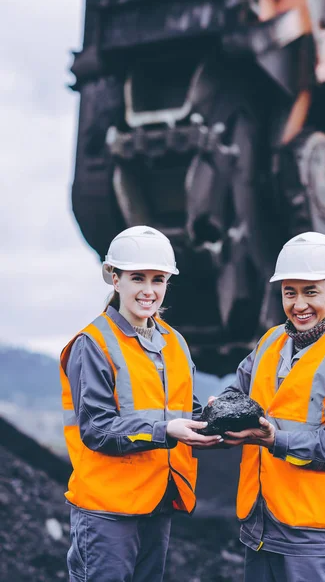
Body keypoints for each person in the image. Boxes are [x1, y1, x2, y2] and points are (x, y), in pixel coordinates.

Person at [213, 231, 325, 582]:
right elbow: (238, 393)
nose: (298, 304)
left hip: (313, 537)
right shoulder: (270, 342)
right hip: (260, 528)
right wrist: (217, 416)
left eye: (311, 291)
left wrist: (275, 439)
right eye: (289, 292)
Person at [60, 225, 222, 582]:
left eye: (158, 280)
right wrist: (165, 430)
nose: (149, 291)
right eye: (138, 278)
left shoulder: (174, 342)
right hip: (107, 512)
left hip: (156, 502)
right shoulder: (94, 344)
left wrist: (215, 418)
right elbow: (97, 430)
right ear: (115, 280)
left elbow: (184, 410)